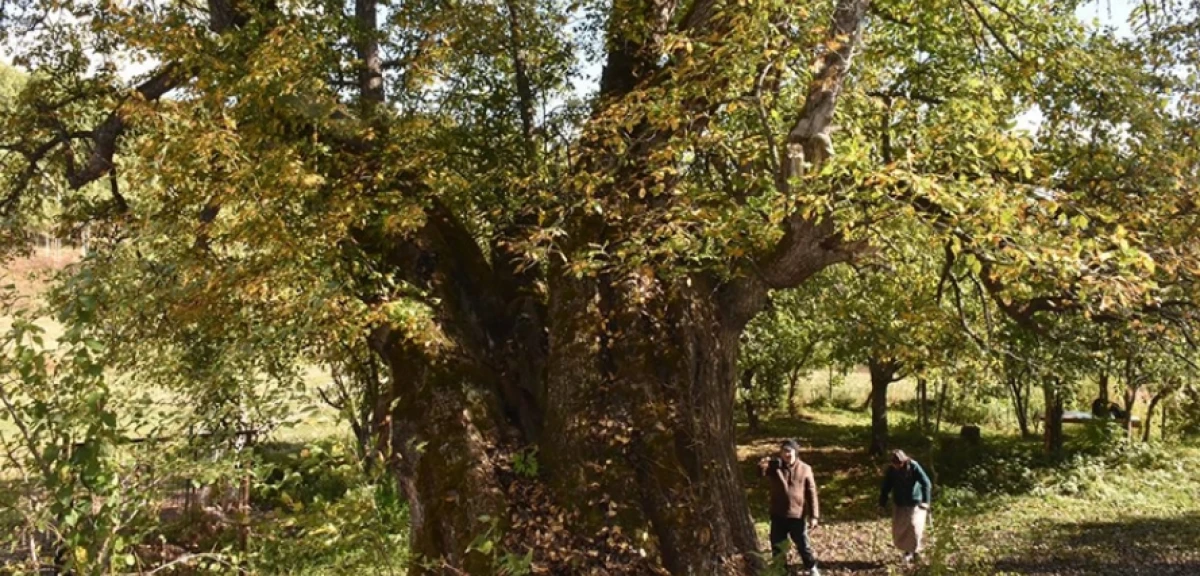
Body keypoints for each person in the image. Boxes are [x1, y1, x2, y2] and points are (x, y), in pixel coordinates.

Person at [758, 439, 821, 576]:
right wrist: (763, 464)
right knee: (777, 546)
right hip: (778, 514)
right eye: (784, 451)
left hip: (797, 515)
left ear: (795, 453)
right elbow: (761, 473)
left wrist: (814, 516)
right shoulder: (776, 468)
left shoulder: (805, 469)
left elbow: (811, 493)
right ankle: (781, 571)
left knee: (803, 545)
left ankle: (811, 567)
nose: (786, 454)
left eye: (789, 451)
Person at [878, 449, 932, 564]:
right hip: (899, 503)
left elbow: (926, 482)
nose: (897, 466)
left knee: (914, 527)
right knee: (900, 529)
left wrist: (926, 501)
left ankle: (913, 551)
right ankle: (908, 551)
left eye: (899, 464)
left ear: (904, 461)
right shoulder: (891, 470)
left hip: (914, 503)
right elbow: (886, 487)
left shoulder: (913, 466)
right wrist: (881, 503)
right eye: (894, 464)